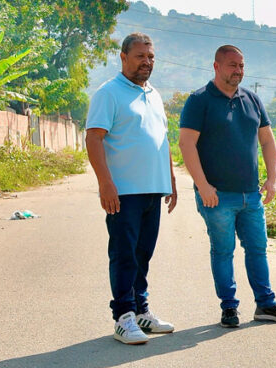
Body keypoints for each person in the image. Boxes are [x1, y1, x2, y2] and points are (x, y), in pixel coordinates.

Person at [178, 45, 276, 328]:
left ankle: (266, 305)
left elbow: (267, 141)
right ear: (216, 66)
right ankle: (229, 308)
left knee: (257, 249)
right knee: (223, 251)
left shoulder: (252, 99)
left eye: (241, 66)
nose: (238, 71)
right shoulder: (199, 100)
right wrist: (203, 186)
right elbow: (186, 144)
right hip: (217, 196)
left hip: (251, 194)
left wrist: (272, 178)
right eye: (232, 65)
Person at [85, 32, 178, 346]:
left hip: (153, 189)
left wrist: (171, 180)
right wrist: (105, 182)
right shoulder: (109, 93)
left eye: (150, 57)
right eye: (140, 56)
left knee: (143, 254)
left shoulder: (154, 94)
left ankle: (141, 311)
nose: (147, 62)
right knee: (124, 254)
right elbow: (94, 138)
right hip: (123, 191)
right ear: (123, 58)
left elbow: (161, 140)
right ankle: (123, 317)